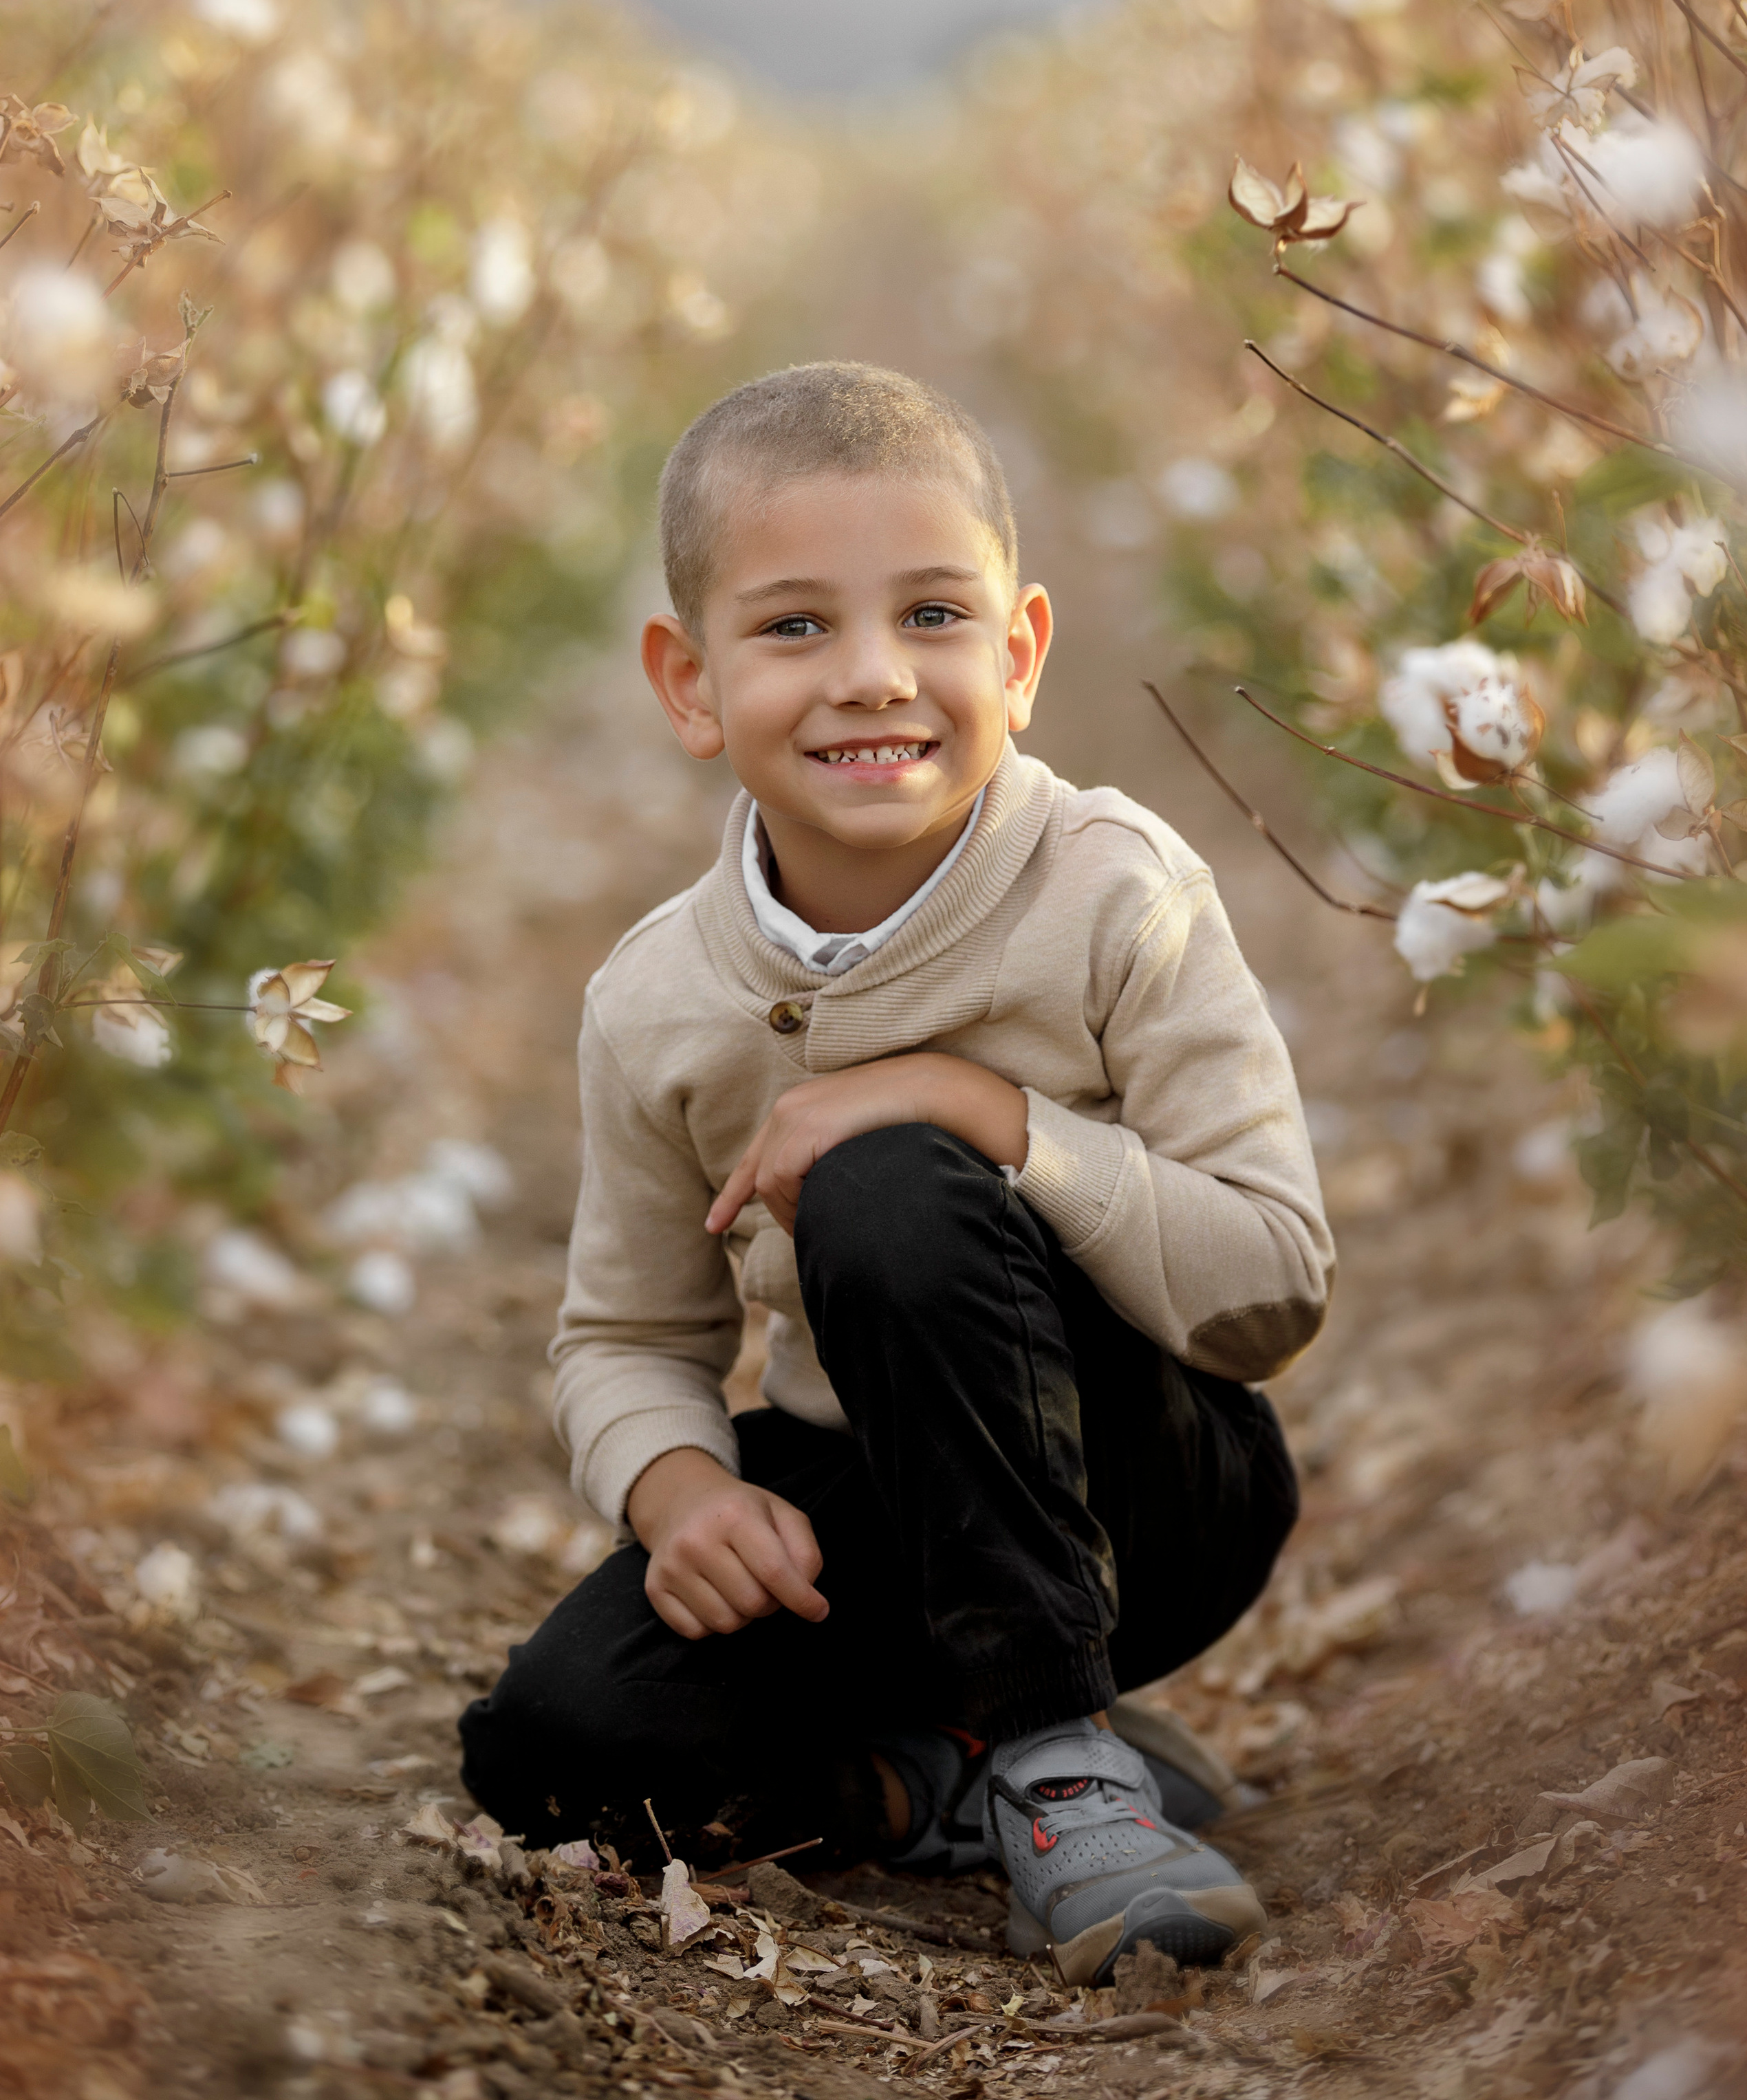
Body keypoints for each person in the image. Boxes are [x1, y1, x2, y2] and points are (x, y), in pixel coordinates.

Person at [459, 362, 1330, 1987]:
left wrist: (976, 1107)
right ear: (690, 683)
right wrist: (680, 1489)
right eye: (794, 625)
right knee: (551, 1740)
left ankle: (1061, 1755)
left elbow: (1270, 1283)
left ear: (1018, 653)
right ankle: (937, 1779)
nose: (872, 674)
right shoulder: (657, 996)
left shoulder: (1115, 892)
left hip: (1140, 1491)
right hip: (879, 1522)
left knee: (885, 1181)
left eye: (931, 614)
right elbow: (624, 1337)